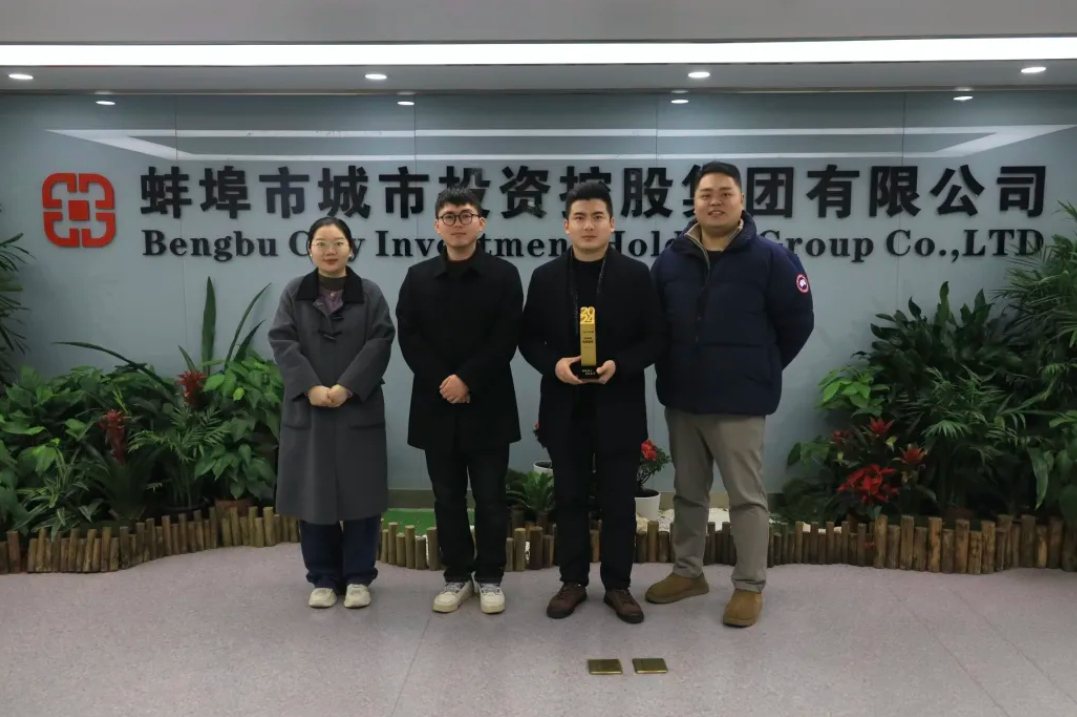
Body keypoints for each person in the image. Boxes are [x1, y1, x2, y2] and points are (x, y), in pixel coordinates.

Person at [645, 161, 814, 627]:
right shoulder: (671, 259)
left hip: (740, 402)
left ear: (741, 200)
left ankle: (749, 585)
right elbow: (655, 324)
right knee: (687, 493)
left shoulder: (771, 258)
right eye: (706, 194)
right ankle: (688, 573)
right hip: (683, 399)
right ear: (694, 202)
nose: (714, 201)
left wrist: (760, 369)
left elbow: (798, 324)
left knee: (745, 497)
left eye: (724, 193)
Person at [519, 181, 666, 624]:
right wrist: (554, 365)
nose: (588, 225)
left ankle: (618, 585)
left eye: (597, 217)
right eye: (579, 217)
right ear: (566, 225)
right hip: (564, 407)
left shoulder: (636, 275)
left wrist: (620, 364)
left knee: (619, 502)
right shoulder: (545, 277)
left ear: (612, 223)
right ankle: (573, 581)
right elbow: (528, 339)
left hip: (618, 404)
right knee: (569, 500)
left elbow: (656, 337)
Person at [396, 187, 523, 615]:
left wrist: (466, 379)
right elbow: (409, 336)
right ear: (437, 225)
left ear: (481, 223)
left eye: (466, 215)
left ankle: (489, 577)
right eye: (449, 216)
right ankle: (456, 576)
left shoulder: (504, 275)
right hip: (436, 405)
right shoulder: (418, 277)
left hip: (488, 404)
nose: (458, 223)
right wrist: (445, 381)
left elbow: (506, 336)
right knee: (446, 498)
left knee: (490, 497)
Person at [268, 216, 396, 610]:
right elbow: (282, 340)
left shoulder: (369, 293)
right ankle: (322, 577)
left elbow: (380, 340)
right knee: (314, 494)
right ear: (309, 248)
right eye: (321, 243)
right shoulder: (294, 292)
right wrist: (311, 386)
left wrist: (346, 387)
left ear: (350, 248)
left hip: (356, 406)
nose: (329, 250)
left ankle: (358, 577)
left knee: (361, 495)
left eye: (337, 242)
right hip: (309, 409)